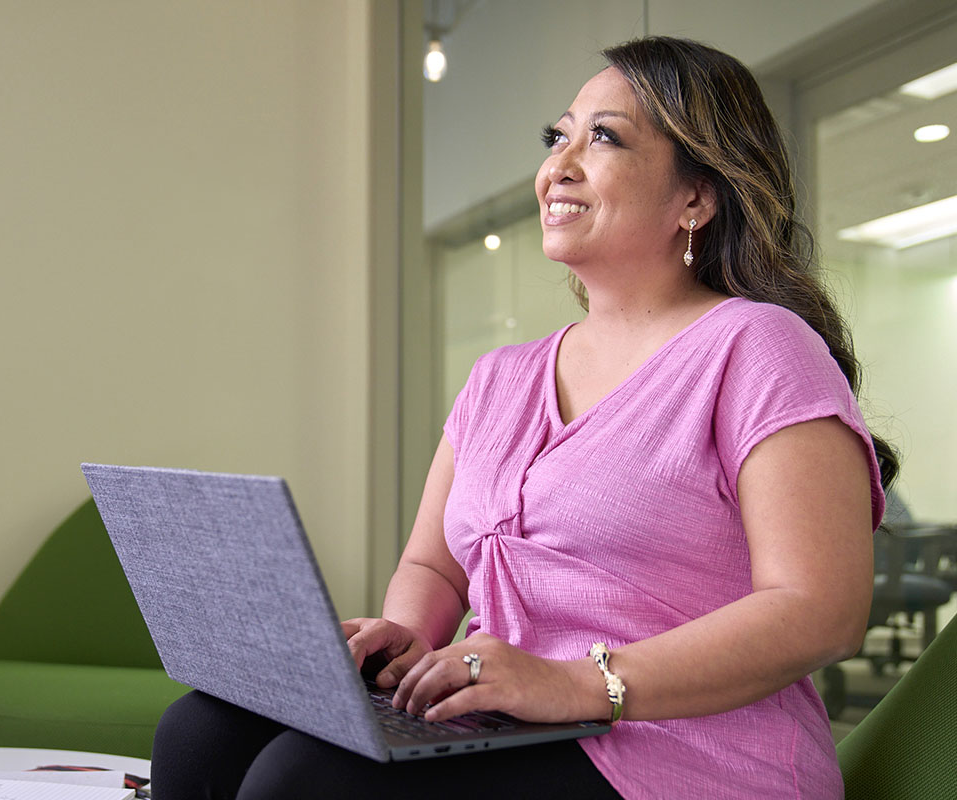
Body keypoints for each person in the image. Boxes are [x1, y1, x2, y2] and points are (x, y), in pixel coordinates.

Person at [151, 36, 896, 799]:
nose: (558, 167)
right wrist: (407, 639)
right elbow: (434, 565)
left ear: (696, 198)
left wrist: (578, 684)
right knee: (200, 733)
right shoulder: (499, 378)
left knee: (305, 782)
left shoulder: (758, 346)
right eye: (557, 136)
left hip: (685, 753)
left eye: (603, 137)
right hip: (509, 720)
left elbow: (818, 610)